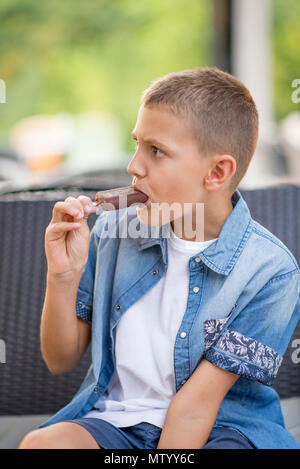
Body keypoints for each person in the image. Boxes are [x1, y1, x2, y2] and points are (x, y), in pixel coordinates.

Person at [19, 68, 300, 449]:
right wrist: (63, 275)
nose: (133, 166)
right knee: (42, 445)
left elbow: (195, 409)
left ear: (217, 172)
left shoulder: (271, 272)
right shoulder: (112, 232)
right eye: (137, 144)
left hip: (224, 428)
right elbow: (60, 360)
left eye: (156, 151)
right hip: (119, 424)